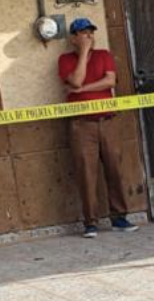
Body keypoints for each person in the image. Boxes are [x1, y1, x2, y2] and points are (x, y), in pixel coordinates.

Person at [59, 17, 137, 238]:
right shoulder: (65, 59)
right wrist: (83, 53)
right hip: (82, 124)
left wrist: (81, 89)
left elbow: (109, 82)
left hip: (107, 120)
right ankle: (90, 222)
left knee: (115, 169)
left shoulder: (104, 55)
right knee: (86, 172)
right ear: (73, 38)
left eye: (90, 33)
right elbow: (74, 80)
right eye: (83, 33)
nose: (89, 36)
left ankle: (119, 218)